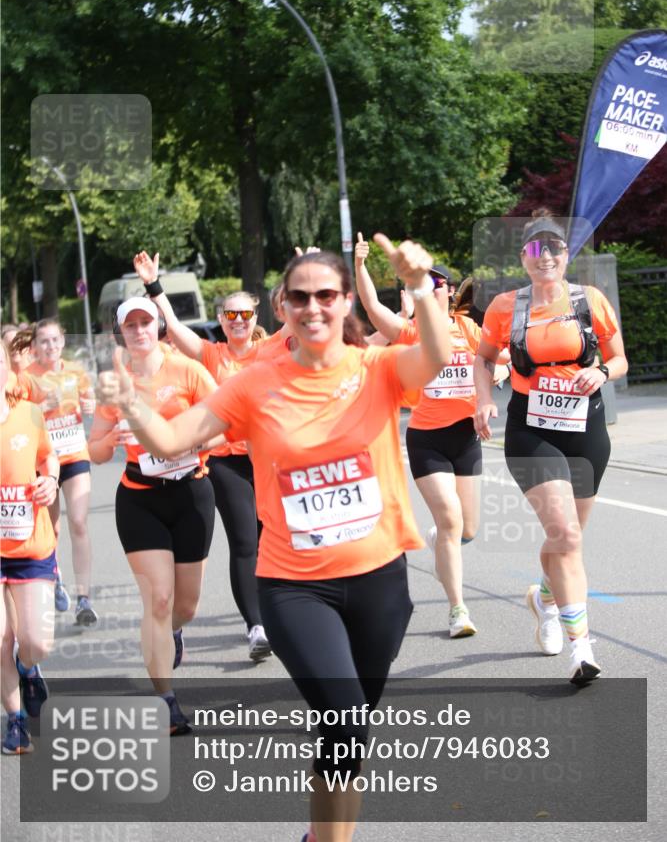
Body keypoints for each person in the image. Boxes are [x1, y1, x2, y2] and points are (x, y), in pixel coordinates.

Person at [97, 236, 451, 842]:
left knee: (352, 730)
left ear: (345, 305)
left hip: (379, 580)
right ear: (281, 307)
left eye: (327, 296)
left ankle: (322, 837)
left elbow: (437, 358)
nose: (314, 307)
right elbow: (170, 441)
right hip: (295, 587)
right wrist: (130, 403)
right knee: (342, 717)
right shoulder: (253, 384)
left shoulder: (377, 367)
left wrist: (419, 287)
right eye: (300, 297)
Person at [473, 209, 628, 685]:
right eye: (536, 249)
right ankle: (582, 649)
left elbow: (620, 357)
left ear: (566, 256)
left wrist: (601, 371)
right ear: (524, 257)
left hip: (586, 429)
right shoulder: (505, 306)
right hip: (532, 428)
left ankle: (543, 597)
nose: (546, 256)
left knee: (567, 539)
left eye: (554, 248)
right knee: (566, 534)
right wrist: (483, 401)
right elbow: (483, 359)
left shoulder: (589, 300)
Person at [354, 234, 508, 637]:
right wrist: (359, 267)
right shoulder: (410, 331)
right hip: (427, 439)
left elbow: (500, 359)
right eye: (420, 284)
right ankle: (458, 610)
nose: (428, 289)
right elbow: (372, 308)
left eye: (436, 284)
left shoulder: (469, 329)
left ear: (450, 292)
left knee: (465, 529)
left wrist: (498, 379)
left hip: (465, 437)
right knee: (452, 518)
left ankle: (444, 536)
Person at [132, 251, 274, 660]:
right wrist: (153, 286)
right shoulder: (213, 355)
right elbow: (174, 329)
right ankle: (256, 626)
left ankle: (276, 611)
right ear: (222, 319)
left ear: (255, 315)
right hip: (225, 460)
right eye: (230, 316)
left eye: (244, 315)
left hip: (267, 457)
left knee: (271, 539)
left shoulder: (271, 353)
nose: (238, 322)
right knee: (246, 540)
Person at [88, 298, 218, 733]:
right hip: (140, 498)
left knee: (185, 606)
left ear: (159, 326)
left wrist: (192, 444)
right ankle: (165, 701)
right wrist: (114, 436)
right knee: (157, 600)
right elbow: (95, 449)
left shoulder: (188, 371)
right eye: (132, 325)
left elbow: (224, 424)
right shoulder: (114, 383)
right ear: (120, 333)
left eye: (147, 322)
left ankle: (175, 631)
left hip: (191, 494)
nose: (140, 330)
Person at [15, 320, 97, 623]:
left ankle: (84, 599)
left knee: (77, 522)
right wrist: (39, 407)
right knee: (52, 529)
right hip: (41, 461)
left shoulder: (75, 372)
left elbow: (91, 403)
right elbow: (16, 421)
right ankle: (56, 576)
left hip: (74, 453)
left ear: (63, 342)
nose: (50, 346)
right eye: (44, 342)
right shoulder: (25, 379)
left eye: (54, 340)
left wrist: (91, 406)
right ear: (34, 346)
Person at [1, 339, 60, 754]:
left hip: (31, 546)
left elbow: (49, 457)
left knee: (37, 640)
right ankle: (15, 721)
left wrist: (50, 481)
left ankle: (27, 667)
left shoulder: (29, 414)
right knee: (0, 637)